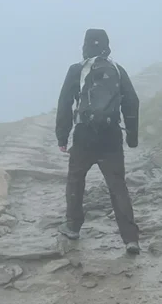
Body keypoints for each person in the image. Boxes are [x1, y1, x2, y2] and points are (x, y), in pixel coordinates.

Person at [55, 28, 141, 255]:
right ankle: (131, 239)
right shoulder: (117, 70)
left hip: (84, 137)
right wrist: (132, 136)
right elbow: (131, 102)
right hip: (111, 137)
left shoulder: (77, 70)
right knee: (117, 186)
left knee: (75, 180)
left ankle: (73, 226)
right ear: (106, 45)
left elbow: (65, 104)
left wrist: (62, 137)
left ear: (85, 46)